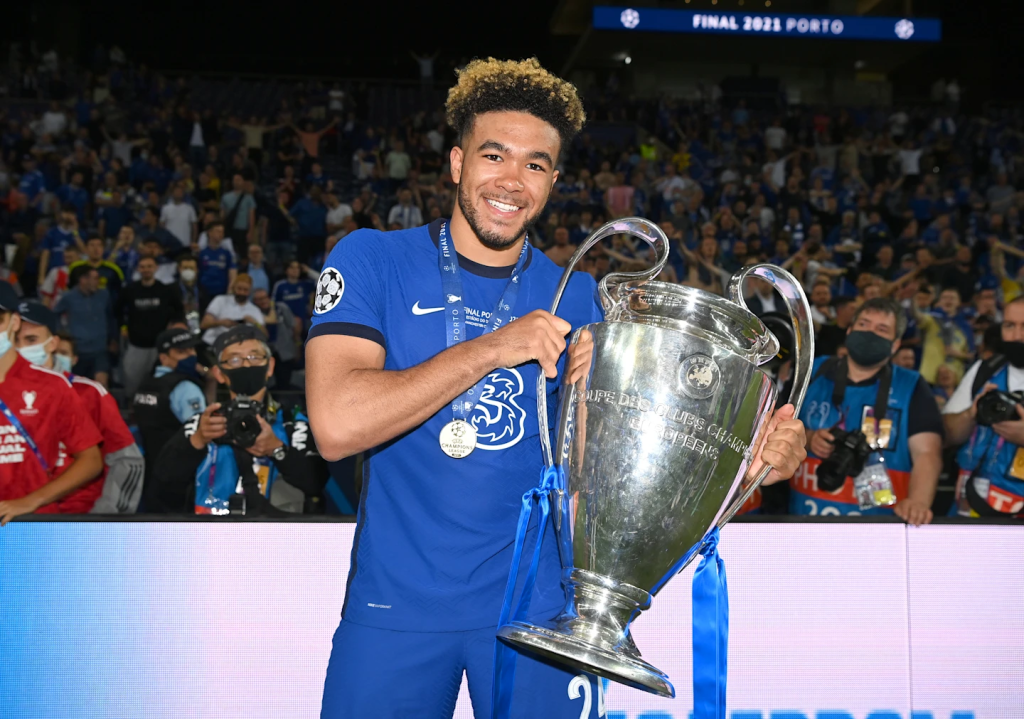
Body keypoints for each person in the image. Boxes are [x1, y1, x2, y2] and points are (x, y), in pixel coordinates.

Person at [306, 58, 807, 718]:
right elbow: (337, 425)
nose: (513, 180)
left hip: (540, 618)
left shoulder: (588, 306)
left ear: (554, 181)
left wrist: (753, 467)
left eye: (536, 164)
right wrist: (492, 348)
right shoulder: (372, 259)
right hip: (393, 606)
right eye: (495, 155)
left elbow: (626, 483)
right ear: (457, 162)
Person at [793, 298, 943, 523]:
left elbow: (927, 453)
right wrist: (809, 437)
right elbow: (773, 425)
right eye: (863, 325)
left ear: (895, 344)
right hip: (801, 520)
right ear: (850, 330)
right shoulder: (812, 370)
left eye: (881, 329)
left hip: (879, 528)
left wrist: (919, 503)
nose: (870, 333)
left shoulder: (911, 386)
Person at [152, 325, 327, 515]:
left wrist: (276, 449)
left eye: (254, 357)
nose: (246, 365)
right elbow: (162, 483)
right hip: (208, 535)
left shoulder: (292, 422)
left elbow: (316, 483)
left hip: (272, 535)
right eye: (234, 359)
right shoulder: (204, 423)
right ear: (219, 373)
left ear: (270, 366)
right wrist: (198, 440)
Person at [15, 302, 143, 514]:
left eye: (31, 340)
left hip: (81, 520)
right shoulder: (5, 394)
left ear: (52, 343)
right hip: (19, 520)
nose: (22, 349)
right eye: (15, 340)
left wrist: (106, 517)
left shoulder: (89, 393)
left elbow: (126, 460)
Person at [0, 283, 103, 524]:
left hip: (32, 524)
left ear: (14, 323)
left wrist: (33, 500)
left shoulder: (51, 385)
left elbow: (91, 460)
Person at [943, 296, 1024, 518]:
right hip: (970, 510)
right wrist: (971, 414)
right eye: (1009, 326)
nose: (1017, 336)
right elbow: (946, 435)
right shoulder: (986, 370)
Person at [132, 327, 208, 511]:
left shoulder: (145, 384)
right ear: (164, 357)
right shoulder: (185, 388)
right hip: (181, 477)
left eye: (192, 349)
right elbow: (203, 431)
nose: (191, 355)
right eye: (182, 352)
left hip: (149, 474)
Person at [117, 255, 184, 399]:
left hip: (159, 346)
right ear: (138, 269)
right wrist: (123, 327)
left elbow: (179, 311)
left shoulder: (165, 290)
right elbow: (117, 311)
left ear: (156, 268)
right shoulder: (130, 290)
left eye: (149, 266)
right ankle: (132, 409)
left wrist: (175, 325)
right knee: (132, 380)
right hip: (136, 345)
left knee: (159, 382)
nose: (146, 270)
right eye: (142, 267)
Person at [53, 266, 117, 387]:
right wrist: (61, 333)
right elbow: (55, 314)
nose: (97, 282)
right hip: (78, 349)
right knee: (76, 385)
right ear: (83, 279)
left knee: (101, 383)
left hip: (99, 348)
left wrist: (113, 338)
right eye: (94, 279)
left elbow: (111, 317)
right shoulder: (69, 297)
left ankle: (102, 406)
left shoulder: (104, 295)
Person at [251, 288, 301, 390]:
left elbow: (294, 325)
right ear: (255, 302)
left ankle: (285, 404)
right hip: (265, 353)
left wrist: (297, 345)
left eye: (265, 298)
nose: (263, 301)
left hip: (285, 351)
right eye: (259, 299)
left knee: (285, 382)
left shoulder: (281, 308)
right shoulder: (254, 313)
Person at [200, 273, 264, 347]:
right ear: (234, 288)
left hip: (237, 348)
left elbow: (265, 334)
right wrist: (221, 322)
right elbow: (204, 324)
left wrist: (255, 322)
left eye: (245, 290)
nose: (242, 292)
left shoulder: (254, 310)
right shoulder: (220, 300)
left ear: (250, 291)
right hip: (211, 344)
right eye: (239, 289)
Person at [38, 205, 85, 290]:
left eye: (71, 213)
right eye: (66, 212)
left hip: (73, 276)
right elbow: (45, 255)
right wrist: (41, 276)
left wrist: (75, 233)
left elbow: (85, 253)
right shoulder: (52, 233)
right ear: (61, 214)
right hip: (54, 274)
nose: (68, 216)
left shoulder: (80, 234)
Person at [69, 236, 125, 305]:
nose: (96, 249)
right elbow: (70, 291)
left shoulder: (114, 270)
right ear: (86, 249)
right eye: (92, 245)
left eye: (99, 245)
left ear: (103, 249)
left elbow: (118, 295)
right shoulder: (76, 268)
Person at [197, 222, 237, 298]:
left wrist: (231, 288)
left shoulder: (227, 253)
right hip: (204, 292)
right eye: (218, 231)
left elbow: (232, 271)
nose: (221, 234)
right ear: (210, 233)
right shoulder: (202, 253)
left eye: (222, 232)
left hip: (221, 292)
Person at [271, 260, 315, 327]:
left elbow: (324, 280)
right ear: (286, 270)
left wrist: (308, 270)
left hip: (305, 320)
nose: (295, 270)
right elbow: (273, 303)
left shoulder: (306, 284)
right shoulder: (280, 285)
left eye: (297, 268)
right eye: (292, 267)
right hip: (286, 323)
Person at [220, 173, 257, 247]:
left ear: (243, 181)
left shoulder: (248, 197)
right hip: (229, 228)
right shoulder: (225, 197)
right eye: (235, 180)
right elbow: (222, 214)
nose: (236, 182)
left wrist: (251, 231)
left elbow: (251, 215)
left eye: (239, 180)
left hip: (243, 229)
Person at [160, 182, 198, 250]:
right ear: (172, 193)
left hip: (186, 243)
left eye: (180, 192)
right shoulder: (165, 208)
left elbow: (194, 227)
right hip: (170, 244)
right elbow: (162, 226)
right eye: (176, 191)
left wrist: (193, 241)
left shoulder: (189, 208)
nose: (178, 193)